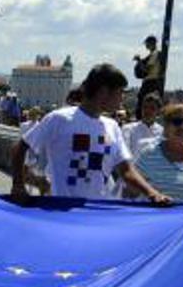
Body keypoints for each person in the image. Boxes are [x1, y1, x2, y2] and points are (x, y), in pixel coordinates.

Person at [10, 63, 171, 203]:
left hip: (97, 212)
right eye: (120, 92)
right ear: (104, 92)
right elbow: (20, 147)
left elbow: (126, 170)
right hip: (61, 209)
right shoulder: (59, 119)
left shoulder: (113, 126)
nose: (122, 98)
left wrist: (152, 193)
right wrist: (18, 185)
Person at [123, 91, 165, 159]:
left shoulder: (163, 132)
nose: (147, 111)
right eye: (145, 107)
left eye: (152, 108)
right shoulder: (128, 129)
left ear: (158, 111)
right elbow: (124, 154)